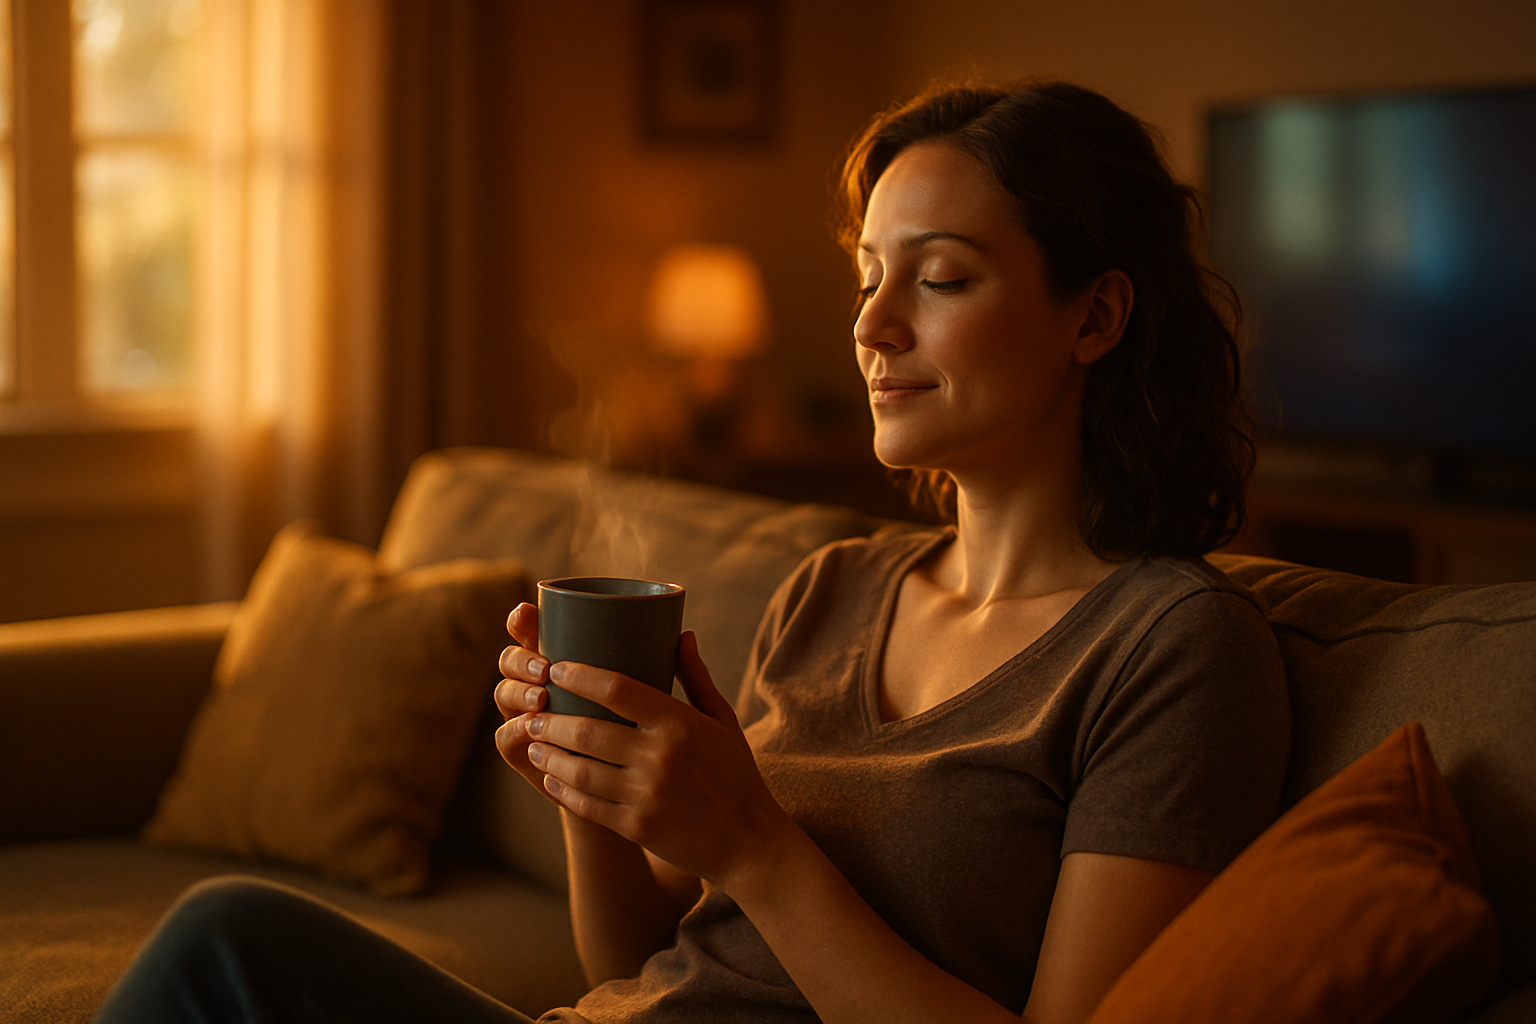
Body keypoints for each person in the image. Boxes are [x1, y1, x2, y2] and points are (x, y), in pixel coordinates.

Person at [91, 80, 1289, 1024]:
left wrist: (757, 846)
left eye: (940, 278)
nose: (873, 325)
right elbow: (633, 963)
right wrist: (589, 782)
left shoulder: (1175, 648)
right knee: (229, 939)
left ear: (1096, 315)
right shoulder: (836, 589)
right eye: (869, 277)